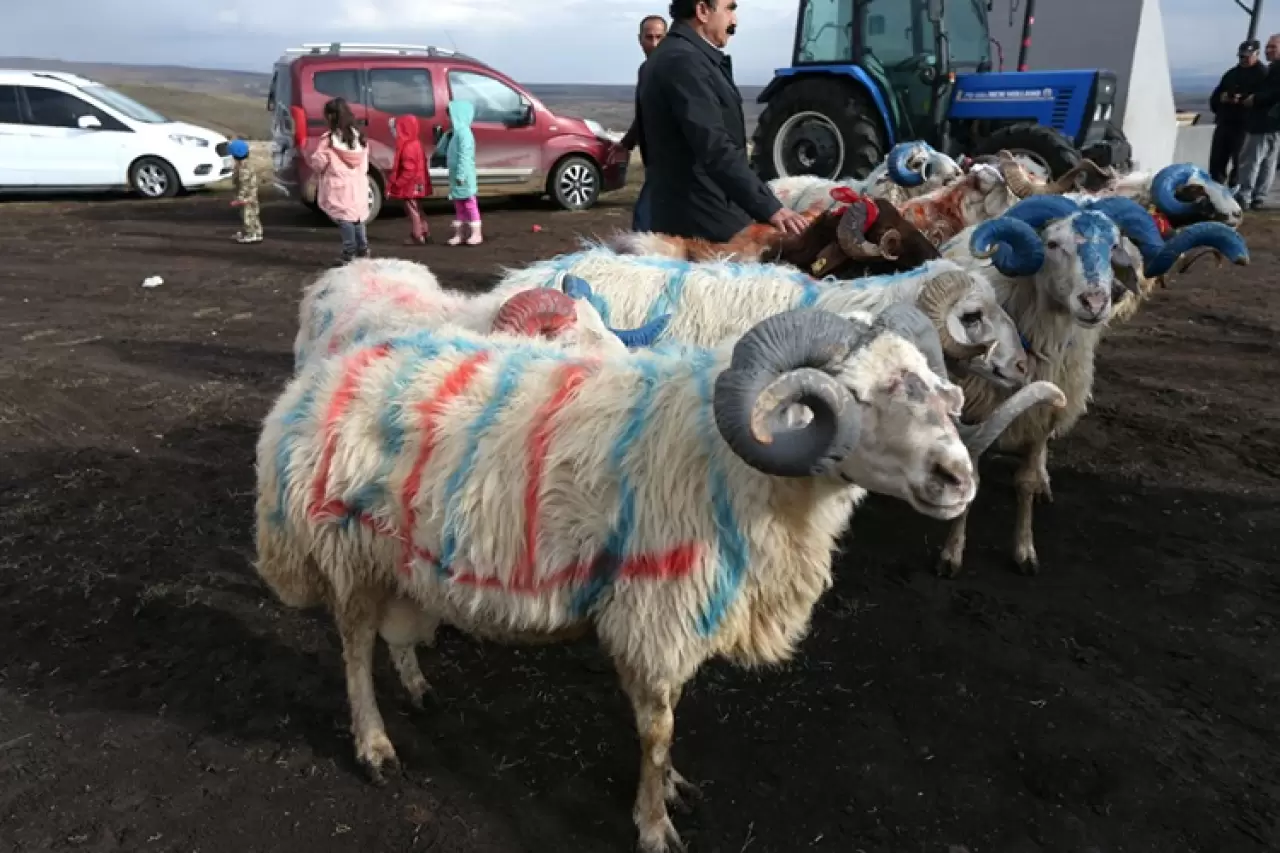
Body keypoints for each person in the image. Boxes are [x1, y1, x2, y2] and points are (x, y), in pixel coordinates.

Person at [638, 0, 808, 242]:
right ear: (702, 11)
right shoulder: (684, 62)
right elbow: (714, 146)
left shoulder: (670, 57)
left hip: (687, 212)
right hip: (704, 224)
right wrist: (770, 208)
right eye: (730, 8)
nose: (734, 20)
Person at [616, 15, 668, 230]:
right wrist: (625, 145)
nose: (654, 44)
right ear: (640, 39)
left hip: (672, 160)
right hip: (654, 159)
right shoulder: (645, 70)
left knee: (644, 220)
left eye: (659, 37)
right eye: (649, 38)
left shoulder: (673, 70)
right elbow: (644, 114)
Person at [309, 97, 371, 262]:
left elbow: (319, 163)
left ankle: (349, 252)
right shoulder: (360, 137)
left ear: (331, 117)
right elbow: (365, 164)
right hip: (357, 184)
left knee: (345, 219)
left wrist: (315, 160)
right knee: (357, 218)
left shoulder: (329, 140)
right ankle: (362, 249)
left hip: (338, 184)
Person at [1210, 40, 1266, 191]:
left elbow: (1264, 99)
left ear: (1256, 54)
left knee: (1240, 163)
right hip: (1225, 122)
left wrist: (1244, 99)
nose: (1244, 60)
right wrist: (1223, 98)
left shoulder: (1263, 75)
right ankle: (1215, 191)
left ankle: (1236, 193)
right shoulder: (1231, 74)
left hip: (1245, 125)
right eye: (1241, 56)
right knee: (1217, 161)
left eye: (1247, 56)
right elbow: (1215, 98)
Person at [1237, 34, 1280, 209]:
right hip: (1274, 124)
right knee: (1268, 161)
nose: (1268, 50)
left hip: (1265, 122)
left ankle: (1245, 196)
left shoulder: (1276, 70)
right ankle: (1259, 197)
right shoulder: (1272, 69)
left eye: (1273, 47)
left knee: (1252, 160)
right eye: (1267, 47)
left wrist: (1255, 99)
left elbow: (1274, 93)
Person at [436, 100, 482, 245]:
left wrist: (461, 175)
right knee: (459, 204)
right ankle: (460, 234)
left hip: (464, 176)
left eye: (451, 115)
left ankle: (476, 233)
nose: (449, 119)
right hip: (456, 175)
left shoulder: (464, 134)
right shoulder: (455, 133)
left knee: (469, 203)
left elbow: (465, 156)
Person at [387, 114, 432, 245]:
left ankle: (417, 235)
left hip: (410, 185)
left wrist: (397, 185)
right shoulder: (416, 143)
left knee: (412, 210)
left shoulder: (407, 147)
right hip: (418, 183)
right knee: (418, 209)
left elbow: (408, 170)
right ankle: (424, 232)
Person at [227, 138, 263, 244]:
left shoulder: (244, 168)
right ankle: (257, 232)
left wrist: (240, 199)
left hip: (247, 197)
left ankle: (251, 234)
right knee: (253, 214)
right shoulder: (245, 164)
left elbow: (244, 185)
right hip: (251, 195)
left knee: (247, 215)